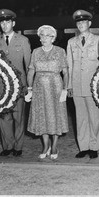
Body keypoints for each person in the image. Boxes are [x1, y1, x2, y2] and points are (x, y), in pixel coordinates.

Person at [67, 9, 99, 159]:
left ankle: (94, 146)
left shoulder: (98, 40)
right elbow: (70, 65)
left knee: (94, 117)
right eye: (79, 22)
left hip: (93, 85)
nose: (81, 24)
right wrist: (69, 85)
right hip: (77, 85)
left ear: (89, 23)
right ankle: (83, 147)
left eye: (84, 22)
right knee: (81, 117)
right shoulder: (71, 42)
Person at [0, 9, 31, 157]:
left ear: (13, 23)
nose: (4, 25)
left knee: (18, 116)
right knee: (4, 117)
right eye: (2, 22)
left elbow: (29, 65)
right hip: (0, 85)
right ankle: (7, 146)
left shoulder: (23, 40)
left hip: (18, 85)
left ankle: (18, 147)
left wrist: (28, 86)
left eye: (7, 22)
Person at [26, 25, 69, 160]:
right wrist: (29, 89)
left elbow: (66, 72)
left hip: (55, 87)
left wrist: (64, 90)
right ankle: (45, 146)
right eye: (42, 35)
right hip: (39, 88)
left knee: (55, 116)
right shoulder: (35, 52)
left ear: (53, 38)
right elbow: (31, 71)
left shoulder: (60, 51)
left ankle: (54, 146)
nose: (44, 38)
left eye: (47, 35)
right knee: (42, 116)